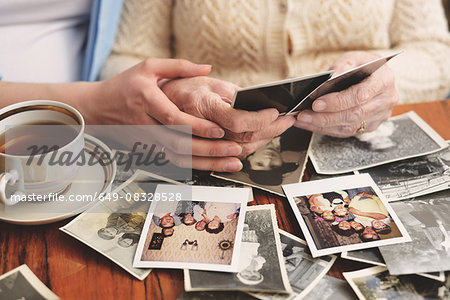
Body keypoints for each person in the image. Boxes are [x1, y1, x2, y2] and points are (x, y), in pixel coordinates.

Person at [0, 1, 294, 173]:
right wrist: (99, 105)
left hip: (92, 137)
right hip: (53, 134)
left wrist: (161, 90)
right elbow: (126, 55)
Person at [102, 0, 450, 139]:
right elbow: (124, 59)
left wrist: (381, 85)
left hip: (360, 143)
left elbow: (437, 53)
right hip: (210, 147)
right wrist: (169, 94)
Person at [241, 127, 309, 185]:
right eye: (274, 166)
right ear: (282, 161)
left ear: (250, 159)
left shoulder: (243, 133)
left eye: (259, 163)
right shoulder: (302, 141)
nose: (268, 160)